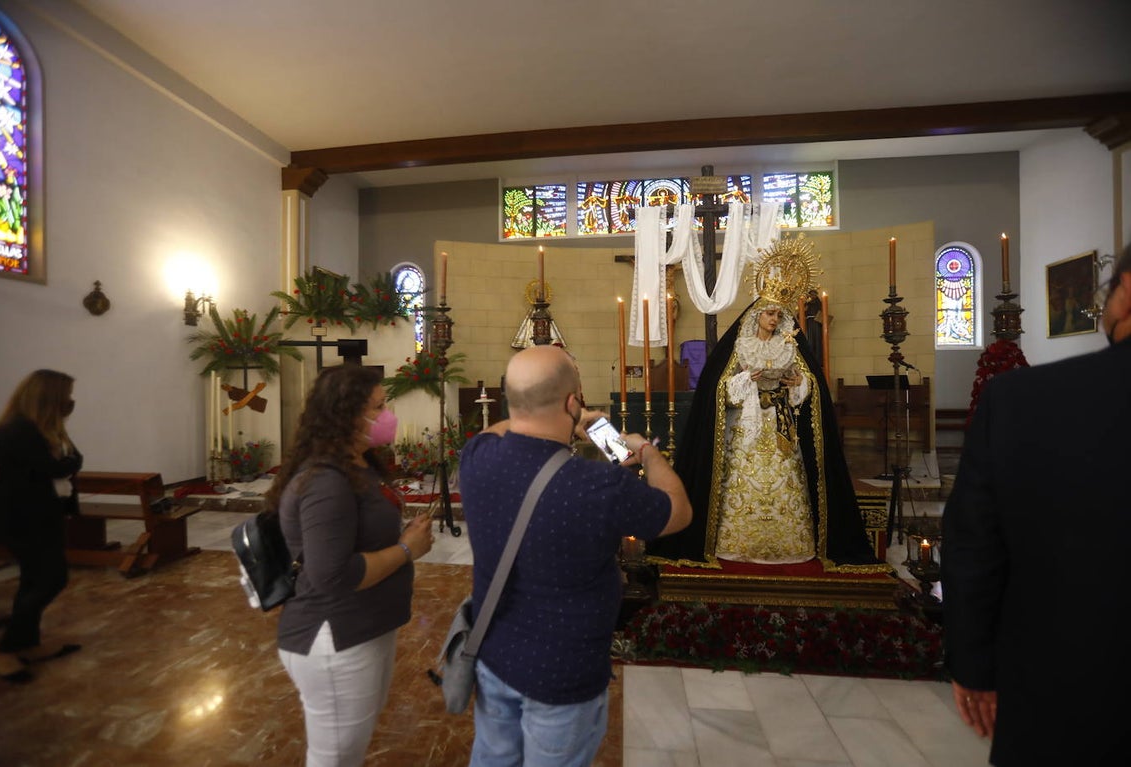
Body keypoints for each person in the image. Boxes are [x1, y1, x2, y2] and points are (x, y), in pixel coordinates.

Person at [941, 243, 1131, 766]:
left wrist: (974, 667)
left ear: (1127, 293)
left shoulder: (1023, 401)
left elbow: (974, 547)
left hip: (1063, 698)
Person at [459, 345, 691, 767]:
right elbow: (678, 512)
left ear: (512, 400)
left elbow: (499, 428)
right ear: (573, 402)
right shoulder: (597, 485)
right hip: (562, 674)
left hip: (494, 657)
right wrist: (644, 451)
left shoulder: (477, 458)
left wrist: (552, 409)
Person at [648, 240, 883, 570]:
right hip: (745, 431)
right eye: (770, 313)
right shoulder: (739, 347)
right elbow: (720, 392)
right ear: (757, 314)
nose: (775, 319)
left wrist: (799, 384)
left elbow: (810, 386)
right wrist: (747, 379)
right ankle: (737, 544)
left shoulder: (790, 348)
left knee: (786, 482)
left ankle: (787, 546)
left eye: (779, 315)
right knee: (741, 484)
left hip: (781, 427)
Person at [267, 364, 434, 767]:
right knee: (335, 756)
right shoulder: (326, 480)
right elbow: (332, 575)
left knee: (351, 747)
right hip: (334, 635)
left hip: (363, 626)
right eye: (377, 408)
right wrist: (408, 549)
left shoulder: (356, 465)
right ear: (344, 415)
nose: (387, 416)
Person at [0, 369, 84, 683]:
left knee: (35, 580)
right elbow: (56, 466)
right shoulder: (18, 430)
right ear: (49, 396)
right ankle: (5, 651)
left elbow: (69, 458)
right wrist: (70, 462)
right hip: (24, 516)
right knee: (50, 579)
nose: (70, 402)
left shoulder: (39, 427)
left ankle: (28, 644)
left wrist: (68, 456)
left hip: (41, 513)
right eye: (66, 396)